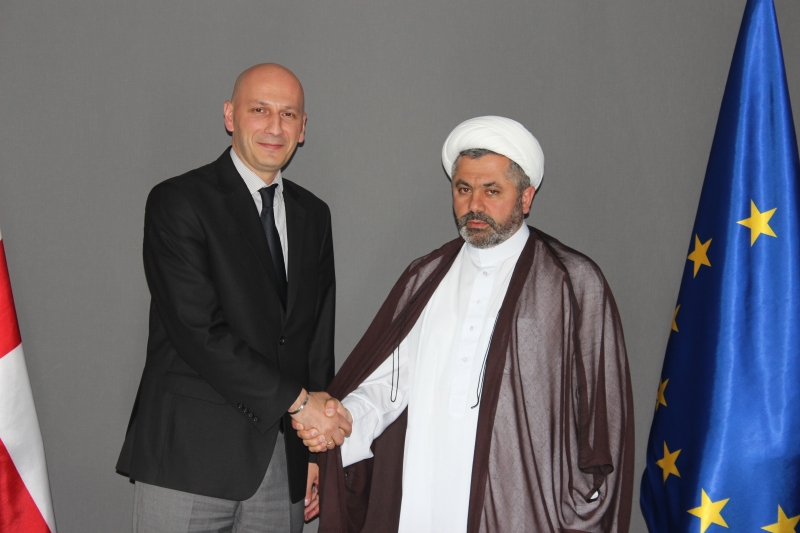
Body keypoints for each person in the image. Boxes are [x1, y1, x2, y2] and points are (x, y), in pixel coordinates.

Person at [295, 116, 635, 532]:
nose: (475, 205)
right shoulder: (427, 277)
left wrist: (582, 501)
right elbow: (388, 386)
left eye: (492, 191)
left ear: (526, 197)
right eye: (463, 189)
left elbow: (603, 415)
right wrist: (339, 423)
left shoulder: (571, 282)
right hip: (425, 498)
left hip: (523, 506)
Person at [115, 63, 352, 533]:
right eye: (259, 110)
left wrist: (314, 452)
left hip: (281, 462)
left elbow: (315, 339)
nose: (275, 127)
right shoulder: (178, 201)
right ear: (230, 116)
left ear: (303, 128)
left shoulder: (314, 215)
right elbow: (198, 331)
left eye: (288, 114)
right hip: (187, 459)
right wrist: (299, 403)